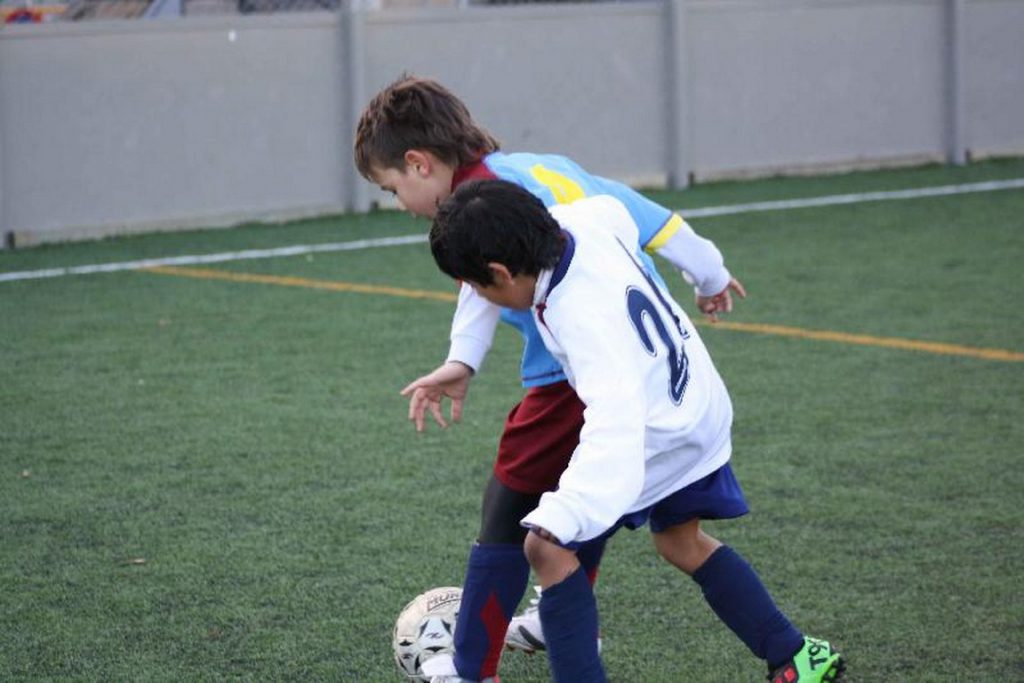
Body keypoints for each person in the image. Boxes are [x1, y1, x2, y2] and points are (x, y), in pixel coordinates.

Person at [354, 75, 745, 682]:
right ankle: (562, 617)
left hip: (574, 375)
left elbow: (486, 283)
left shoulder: (486, 204)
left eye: (391, 188)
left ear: (419, 163)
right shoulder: (537, 167)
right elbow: (652, 219)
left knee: (508, 509)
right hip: (639, 350)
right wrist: (711, 273)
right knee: (575, 504)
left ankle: (471, 669)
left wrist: (464, 361)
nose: (398, 202)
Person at [426, 179, 846, 683]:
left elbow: (615, 419)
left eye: (478, 289)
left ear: (499, 272)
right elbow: (628, 211)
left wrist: (569, 508)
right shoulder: (585, 219)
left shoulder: (578, 316)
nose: (477, 297)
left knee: (548, 547)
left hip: (656, 431)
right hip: (696, 400)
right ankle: (795, 655)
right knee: (679, 542)